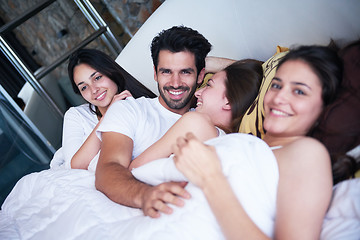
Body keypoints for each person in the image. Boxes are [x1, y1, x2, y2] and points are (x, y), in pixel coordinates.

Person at [170, 45, 347, 239]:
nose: (279, 97)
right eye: (277, 85)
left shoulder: (308, 153)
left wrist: (211, 179)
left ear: (324, 107)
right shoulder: (247, 142)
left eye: (299, 92)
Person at [95, 25, 212, 217]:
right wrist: (146, 195)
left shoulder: (208, 116)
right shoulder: (130, 109)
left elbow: (251, 72)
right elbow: (108, 168)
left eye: (185, 72)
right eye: (166, 71)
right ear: (155, 73)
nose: (175, 83)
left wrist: (206, 64)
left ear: (201, 75)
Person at [129, 59, 263, 169]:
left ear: (229, 101)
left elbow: (135, 169)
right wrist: (205, 63)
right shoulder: (230, 143)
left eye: (209, 85)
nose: (198, 92)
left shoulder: (196, 123)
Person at [50, 48, 156, 170]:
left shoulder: (141, 103)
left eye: (97, 78)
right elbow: (74, 167)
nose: (94, 90)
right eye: (84, 87)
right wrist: (109, 115)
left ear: (111, 72)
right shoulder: (76, 115)